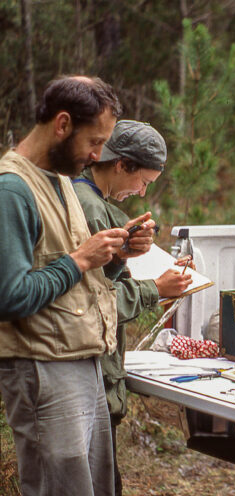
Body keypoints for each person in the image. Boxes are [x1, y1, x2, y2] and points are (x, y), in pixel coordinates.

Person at [0, 76, 155, 496]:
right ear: (63, 124)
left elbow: (68, 270)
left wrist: (117, 253)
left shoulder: (62, 178)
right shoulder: (12, 189)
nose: (99, 154)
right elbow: (9, 296)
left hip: (81, 362)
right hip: (43, 370)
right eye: (95, 140)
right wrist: (80, 259)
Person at [72, 119, 193, 495]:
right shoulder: (92, 210)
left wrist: (124, 254)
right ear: (120, 164)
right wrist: (156, 288)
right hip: (88, 371)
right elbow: (92, 303)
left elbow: (101, 277)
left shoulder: (86, 198)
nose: (141, 192)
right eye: (143, 181)